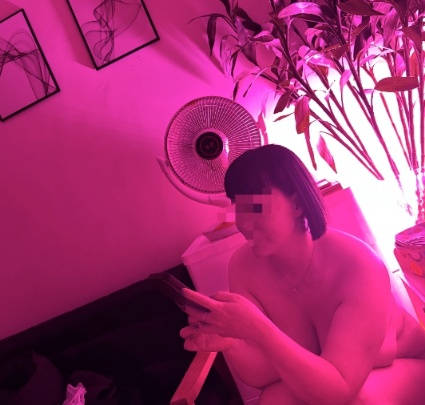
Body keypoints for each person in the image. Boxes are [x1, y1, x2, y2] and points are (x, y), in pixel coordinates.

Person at [179, 144, 425, 405]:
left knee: (357, 401)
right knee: (273, 400)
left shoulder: (357, 265)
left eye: (255, 206)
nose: (243, 222)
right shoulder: (243, 266)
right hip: (335, 381)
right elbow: (264, 375)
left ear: (296, 204)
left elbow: (340, 389)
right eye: (238, 207)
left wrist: (257, 329)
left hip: (409, 368)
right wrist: (231, 342)